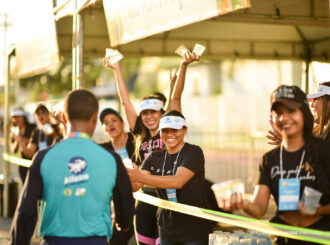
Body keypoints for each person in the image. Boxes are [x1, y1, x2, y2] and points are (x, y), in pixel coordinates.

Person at [9, 89, 135, 245]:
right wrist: (122, 223)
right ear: (95, 118)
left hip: (54, 241)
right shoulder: (112, 159)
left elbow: (25, 213)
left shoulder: (43, 157)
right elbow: (126, 210)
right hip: (96, 241)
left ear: (63, 117)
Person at [104, 50, 200, 245]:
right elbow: (125, 101)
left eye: (153, 112)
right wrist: (116, 69)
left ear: (162, 113)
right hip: (145, 200)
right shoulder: (139, 133)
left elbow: (176, 99)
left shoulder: (170, 131)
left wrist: (183, 66)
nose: (149, 117)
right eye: (145, 113)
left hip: (168, 200)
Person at [219, 85, 330, 245]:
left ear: (304, 114)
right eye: (279, 112)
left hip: (320, 237)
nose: (285, 118)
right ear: (272, 117)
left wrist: (318, 210)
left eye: (291, 111)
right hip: (284, 238)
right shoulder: (269, 159)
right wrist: (243, 203)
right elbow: (259, 207)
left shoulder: (324, 150)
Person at [126, 110, 213, 245]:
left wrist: (138, 177)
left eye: (175, 130)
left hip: (195, 229)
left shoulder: (193, 152)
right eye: (165, 130)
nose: (170, 134)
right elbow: (136, 185)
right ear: (160, 132)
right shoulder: (154, 156)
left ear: (185, 131)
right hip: (167, 229)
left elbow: (177, 181)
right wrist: (126, 175)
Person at [99, 107, 136, 245]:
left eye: (114, 120)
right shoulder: (104, 149)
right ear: (103, 129)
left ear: (123, 123)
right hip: (122, 209)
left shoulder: (136, 140)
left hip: (144, 203)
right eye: (106, 122)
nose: (110, 124)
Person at [9, 107, 36, 184]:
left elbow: (34, 141)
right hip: (22, 164)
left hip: (33, 162)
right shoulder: (14, 130)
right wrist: (17, 140)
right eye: (15, 117)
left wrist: (20, 139)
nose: (17, 119)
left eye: (19, 117)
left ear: (23, 117)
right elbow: (13, 150)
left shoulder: (32, 127)